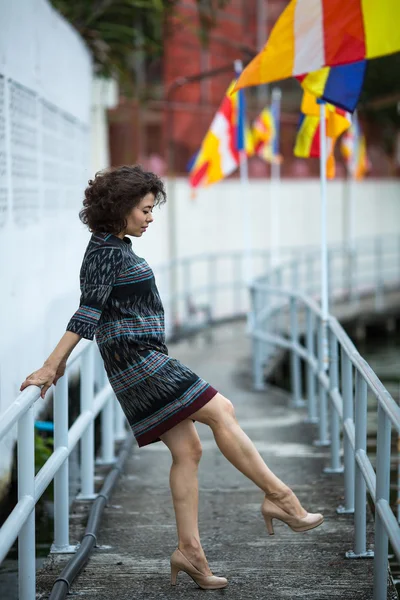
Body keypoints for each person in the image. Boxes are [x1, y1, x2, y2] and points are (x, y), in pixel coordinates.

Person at [20, 165, 323, 591]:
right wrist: (52, 365)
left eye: (151, 209)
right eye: (144, 209)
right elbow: (87, 312)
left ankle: (190, 553)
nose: (150, 217)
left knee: (189, 450)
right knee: (222, 410)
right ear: (121, 207)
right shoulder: (106, 251)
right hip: (136, 360)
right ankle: (281, 498)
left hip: (144, 356)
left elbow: (101, 308)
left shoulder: (116, 245)